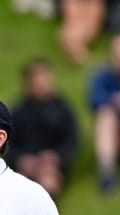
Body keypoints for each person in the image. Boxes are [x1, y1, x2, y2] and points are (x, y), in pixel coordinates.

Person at [7, 58, 79, 197]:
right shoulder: (17, 112)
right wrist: (21, 160)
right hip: (24, 167)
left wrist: (57, 158)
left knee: (47, 183)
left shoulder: (62, 109)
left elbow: (72, 140)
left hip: (52, 166)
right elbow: (7, 145)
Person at [89, 28, 120, 193]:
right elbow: (97, 101)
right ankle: (107, 171)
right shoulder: (103, 76)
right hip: (116, 135)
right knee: (105, 115)